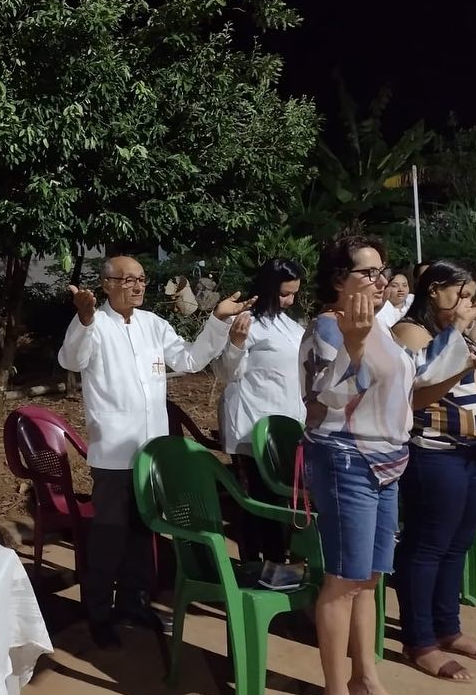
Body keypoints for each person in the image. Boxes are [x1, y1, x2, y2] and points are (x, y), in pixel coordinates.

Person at [301, 235, 475, 695]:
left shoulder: (378, 324)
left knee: (371, 578)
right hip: (346, 459)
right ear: (339, 279)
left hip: (387, 461)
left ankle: (366, 681)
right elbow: (321, 402)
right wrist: (352, 348)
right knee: (343, 581)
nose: (380, 281)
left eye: (383, 271)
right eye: (368, 272)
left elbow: (411, 381)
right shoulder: (328, 328)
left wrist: (460, 335)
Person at [57, 255, 251, 651]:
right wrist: (84, 319)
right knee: (108, 538)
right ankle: (98, 614)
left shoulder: (154, 325)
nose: (138, 286)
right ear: (107, 284)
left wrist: (218, 320)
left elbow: (190, 360)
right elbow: (71, 360)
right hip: (113, 455)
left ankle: (135, 603)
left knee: (143, 533)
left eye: (142, 279)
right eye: (128, 279)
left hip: (152, 454)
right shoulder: (95, 325)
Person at [392, 261, 476, 679]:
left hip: (473, 454)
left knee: (457, 545)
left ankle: (447, 628)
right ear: (434, 290)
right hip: (435, 454)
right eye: (462, 294)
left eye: (471, 295)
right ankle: (420, 640)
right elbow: (416, 394)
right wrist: (467, 360)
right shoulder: (412, 332)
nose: (467, 303)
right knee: (427, 546)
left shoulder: (458, 333)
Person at [215, 257, 306, 566]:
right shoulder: (245, 322)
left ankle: (278, 564)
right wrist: (236, 344)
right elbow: (227, 373)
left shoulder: (291, 325)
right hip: (253, 426)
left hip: (287, 426)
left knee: (281, 501)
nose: (289, 300)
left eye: (294, 294)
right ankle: (256, 566)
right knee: (255, 501)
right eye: (284, 294)